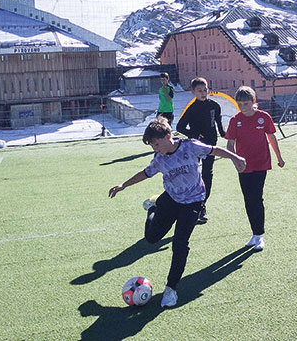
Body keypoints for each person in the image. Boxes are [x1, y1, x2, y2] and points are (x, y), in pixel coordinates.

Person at [108, 117, 246, 308]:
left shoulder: (190, 147)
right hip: (171, 199)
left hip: (193, 202)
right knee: (152, 238)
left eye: (156, 144)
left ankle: (171, 288)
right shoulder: (159, 159)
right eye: (152, 146)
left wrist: (236, 157)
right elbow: (145, 173)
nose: (155, 149)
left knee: (180, 243)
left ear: (168, 136)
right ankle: (153, 207)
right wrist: (123, 185)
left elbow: (214, 149)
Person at [225, 86, 285, 252]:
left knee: (256, 198)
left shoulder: (263, 117)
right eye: (240, 104)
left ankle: (259, 235)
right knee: (248, 200)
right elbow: (230, 144)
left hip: (261, 163)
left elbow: (271, 137)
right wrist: (235, 161)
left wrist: (279, 157)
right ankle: (254, 233)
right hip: (243, 166)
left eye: (246, 103)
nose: (243, 107)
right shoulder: (234, 120)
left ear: (253, 102)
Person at [176, 77, 226, 224]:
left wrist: (224, 134)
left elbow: (218, 122)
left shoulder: (215, 106)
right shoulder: (191, 109)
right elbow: (180, 127)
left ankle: (202, 205)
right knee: (193, 173)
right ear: (193, 92)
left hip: (211, 144)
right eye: (200, 91)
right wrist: (194, 135)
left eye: (205, 90)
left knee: (207, 174)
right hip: (195, 146)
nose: (203, 93)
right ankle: (190, 205)